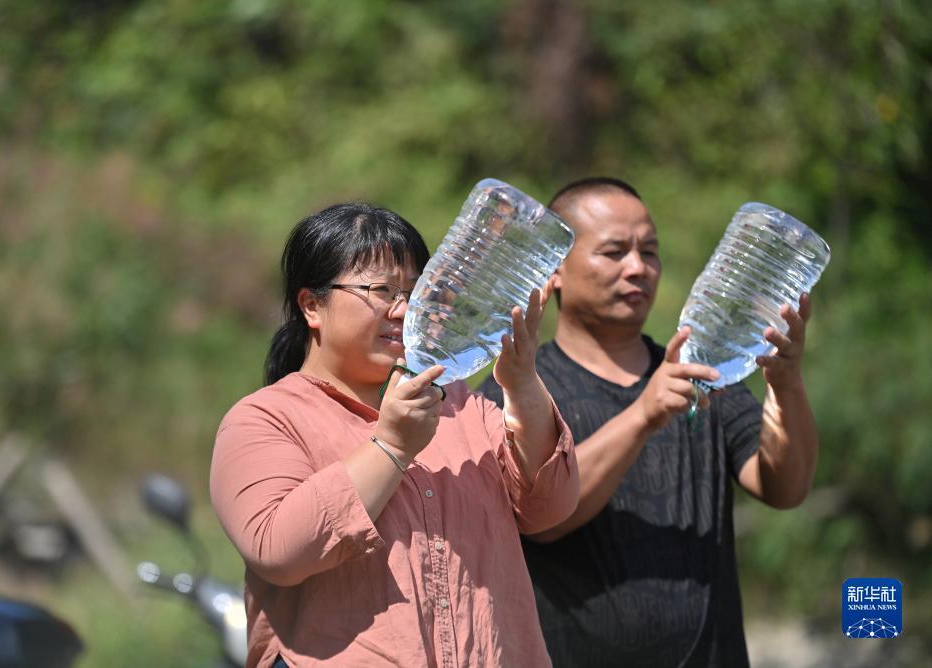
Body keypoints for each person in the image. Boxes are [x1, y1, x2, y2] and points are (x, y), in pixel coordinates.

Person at [210, 202, 579, 667]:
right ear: (312, 306)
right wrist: (391, 447)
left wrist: (522, 382)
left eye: (416, 290)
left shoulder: (460, 405)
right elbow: (278, 549)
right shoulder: (264, 420)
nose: (404, 309)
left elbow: (552, 506)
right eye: (382, 290)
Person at [478, 177, 820, 667]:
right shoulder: (514, 390)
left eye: (650, 252)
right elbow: (538, 520)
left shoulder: (704, 376)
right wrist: (644, 414)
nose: (638, 268)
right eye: (614, 252)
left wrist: (786, 383)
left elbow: (783, 488)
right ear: (554, 270)